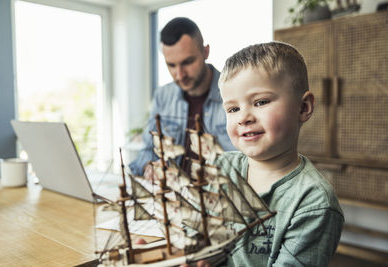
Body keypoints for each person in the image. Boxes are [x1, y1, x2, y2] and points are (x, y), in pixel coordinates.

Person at [210, 41, 344, 266]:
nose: (243, 117)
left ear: (303, 108)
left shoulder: (313, 202)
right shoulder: (220, 168)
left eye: (260, 102)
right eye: (233, 109)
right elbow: (194, 232)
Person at [129, 17, 235, 178]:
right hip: (174, 197)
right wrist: (149, 166)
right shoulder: (162, 96)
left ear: (205, 52)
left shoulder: (235, 93)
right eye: (171, 65)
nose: (180, 75)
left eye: (188, 62)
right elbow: (148, 150)